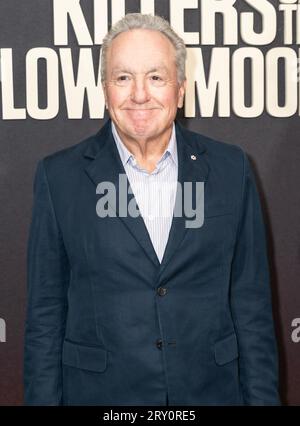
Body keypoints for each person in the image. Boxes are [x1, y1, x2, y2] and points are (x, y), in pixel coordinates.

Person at [24, 13, 280, 406]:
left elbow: (252, 306)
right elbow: (45, 315)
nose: (139, 94)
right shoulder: (59, 177)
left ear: (180, 89)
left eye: (156, 77)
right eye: (123, 77)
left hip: (210, 394)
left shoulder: (231, 169)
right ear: (105, 89)